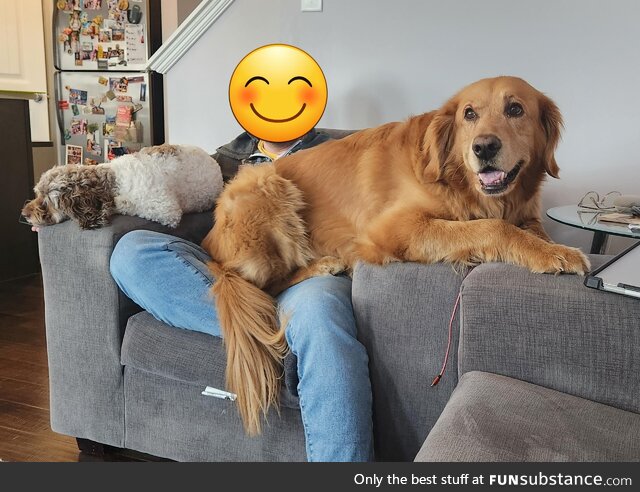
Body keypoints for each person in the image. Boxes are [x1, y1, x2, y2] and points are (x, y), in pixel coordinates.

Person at [108, 129, 375, 462]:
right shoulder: (224, 157)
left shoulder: (344, 152)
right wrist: (74, 202)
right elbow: (145, 180)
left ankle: (297, 333)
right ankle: (284, 334)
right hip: (230, 268)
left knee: (320, 320)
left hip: (312, 272)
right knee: (130, 254)